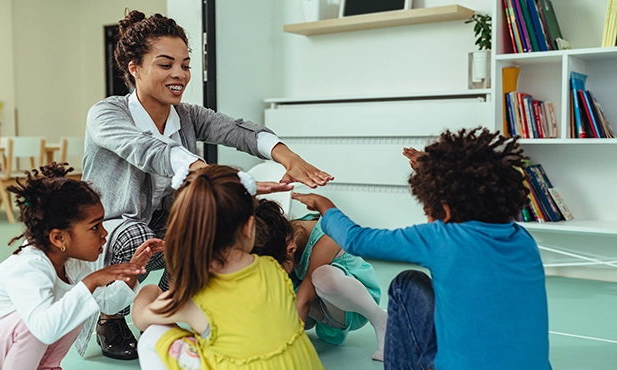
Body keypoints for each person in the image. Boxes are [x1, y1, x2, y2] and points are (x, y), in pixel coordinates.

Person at [82, 10, 333, 359]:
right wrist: (207, 173)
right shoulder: (106, 114)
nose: (179, 75)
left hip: (163, 220)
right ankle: (111, 317)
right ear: (134, 67)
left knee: (201, 223)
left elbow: (233, 129)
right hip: (114, 228)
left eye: (184, 65)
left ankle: (177, 303)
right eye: (166, 64)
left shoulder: (186, 114)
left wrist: (284, 155)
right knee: (135, 236)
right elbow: (146, 149)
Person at [292, 128, 552, 370]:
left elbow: (358, 240)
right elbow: (470, 188)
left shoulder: (441, 239)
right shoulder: (523, 240)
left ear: (445, 211)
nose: (428, 217)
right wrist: (434, 171)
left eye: (428, 210)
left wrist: (326, 207)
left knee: (407, 283)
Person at [0, 163, 163, 370]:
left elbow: (107, 304)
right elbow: (42, 330)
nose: (104, 233)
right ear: (58, 237)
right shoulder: (29, 267)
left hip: (6, 357)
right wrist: (90, 282)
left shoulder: (72, 263)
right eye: (94, 227)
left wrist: (133, 271)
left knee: (80, 304)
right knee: (45, 317)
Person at [131, 165, 324, 370]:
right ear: (250, 226)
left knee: (151, 338)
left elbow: (141, 318)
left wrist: (148, 290)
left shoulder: (192, 292)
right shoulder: (272, 268)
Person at [252, 199, 387, 361]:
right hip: (320, 312)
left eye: (276, 267)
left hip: (353, 307)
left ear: (291, 249)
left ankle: (381, 320)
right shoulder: (281, 235)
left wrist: (289, 353)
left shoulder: (327, 236)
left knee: (322, 276)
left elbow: (304, 300)